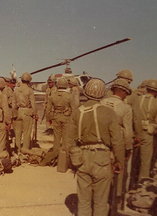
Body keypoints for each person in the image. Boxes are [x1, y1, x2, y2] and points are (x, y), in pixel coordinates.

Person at [65, 78, 125, 216]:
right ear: (103, 94)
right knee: (101, 202)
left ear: (86, 93)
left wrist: (72, 160)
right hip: (102, 159)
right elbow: (117, 141)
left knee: (84, 201)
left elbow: (68, 140)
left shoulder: (77, 112)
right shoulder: (109, 112)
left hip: (82, 158)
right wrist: (119, 161)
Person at [101, 78, 133, 204]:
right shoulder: (125, 108)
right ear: (124, 93)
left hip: (101, 142)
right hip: (116, 144)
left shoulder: (101, 102)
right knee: (118, 170)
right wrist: (128, 149)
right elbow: (128, 132)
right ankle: (116, 197)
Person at [40, 77, 76, 166]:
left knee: (56, 139)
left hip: (56, 118)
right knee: (65, 140)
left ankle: (50, 159)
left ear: (58, 85)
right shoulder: (69, 96)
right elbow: (74, 110)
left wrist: (49, 119)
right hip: (66, 119)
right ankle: (62, 160)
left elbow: (48, 110)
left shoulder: (52, 96)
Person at [138, 79, 157, 180]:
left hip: (135, 132)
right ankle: (142, 184)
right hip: (147, 134)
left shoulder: (138, 99)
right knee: (145, 162)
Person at [12, 72, 38, 152]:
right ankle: (25, 150)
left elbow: (14, 104)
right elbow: (33, 103)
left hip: (18, 111)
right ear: (29, 81)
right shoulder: (30, 90)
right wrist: (35, 113)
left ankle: (17, 150)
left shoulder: (16, 90)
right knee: (27, 133)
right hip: (27, 112)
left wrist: (14, 113)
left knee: (17, 133)